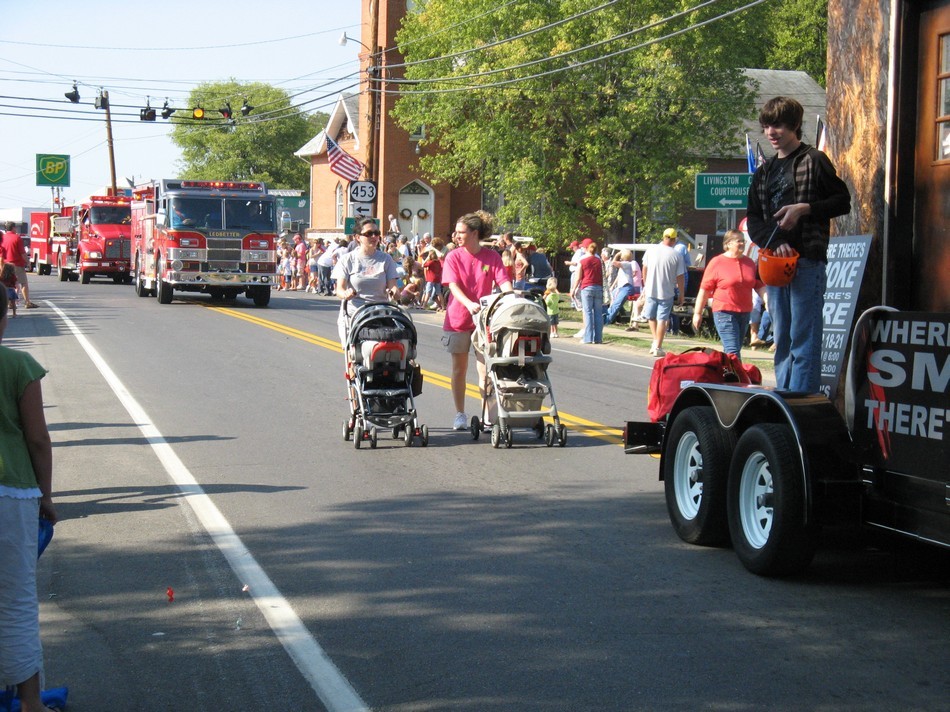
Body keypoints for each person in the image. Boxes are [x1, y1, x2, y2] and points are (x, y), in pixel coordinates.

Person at [746, 96, 851, 392]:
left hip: (806, 261)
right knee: (783, 340)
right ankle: (784, 398)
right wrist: (776, 239)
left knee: (804, 339)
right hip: (774, 265)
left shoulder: (814, 159)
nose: (771, 132)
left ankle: (800, 405)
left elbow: (842, 201)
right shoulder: (764, 172)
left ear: (794, 126)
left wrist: (804, 208)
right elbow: (753, 219)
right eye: (766, 126)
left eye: (777, 125)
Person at [0, 287, 57, 712]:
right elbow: (37, 440)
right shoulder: (19, 366)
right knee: (17, 600)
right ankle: (31, 702)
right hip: (12, 493)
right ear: (5, 316)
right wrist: (47, 496)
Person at [441, 211, 513, 431]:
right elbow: (453, 285)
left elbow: (504, 282)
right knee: (458, 370)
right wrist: (468, 303)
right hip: (458, 319)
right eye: (456, 231)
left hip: (483, 322)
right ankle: (460, 414)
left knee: (486, 371)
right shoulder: (454, 256)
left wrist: (511, 299)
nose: (456, 235)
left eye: (461, 232)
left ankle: (487, 416)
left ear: (474, 233)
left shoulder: (491, 257)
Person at [691, 229, 765, 357]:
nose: (742, 244)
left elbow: (759, 286)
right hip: (724, 312)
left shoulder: (750, 263)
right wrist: (697, 313)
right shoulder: (717, 262)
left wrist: (769, 302)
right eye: (739, 241)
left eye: (743, 241)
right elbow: (704, 289)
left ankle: (726, 375)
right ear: (728, 244)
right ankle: (738, 377)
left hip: (744, 313)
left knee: (734, 349)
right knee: (733, 351)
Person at [334, 219, 399, 344]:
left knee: (398, 341)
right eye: (369, 233)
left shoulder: (386, 259)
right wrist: (345, 293)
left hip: (380, 312)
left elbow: (393, 286)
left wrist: (394, 292)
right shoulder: (347, 259)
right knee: (357, 353)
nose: (374, 236)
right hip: (356, 314)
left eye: (376, 233)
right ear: (358, 237)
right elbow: (339, 290)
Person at [641, 227, 686, 357]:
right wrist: (681, 293)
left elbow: (645, 268)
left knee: (651, 317)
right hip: (667, 292)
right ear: (674, 240)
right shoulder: (677, 255)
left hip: (650, 290)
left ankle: (655, 342)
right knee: (662, 319)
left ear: (663, 237)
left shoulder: (651, 250)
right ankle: (658, 345)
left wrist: (645, 284)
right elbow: (680, 276)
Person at [571, 239, 604, 344]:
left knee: (588, 312)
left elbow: (578, 277)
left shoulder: (583, 260)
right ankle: (598, 338)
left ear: (587, 249)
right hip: (598, 287)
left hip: (587, 287)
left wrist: (573, 289)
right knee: (598, 313)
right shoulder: (599, 260)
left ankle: (588, 338)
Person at [0, 223, 36, 309]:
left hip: (5, 265)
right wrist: (28, 263)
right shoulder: (17, 238)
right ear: (13, 228)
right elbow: (23, 253)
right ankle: (27, 302)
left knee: (7, 284)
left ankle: (9, 303)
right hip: (17, 264)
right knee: (23, 283)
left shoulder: (2, 238)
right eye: (15, 227)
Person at [604, 249, 642, 325]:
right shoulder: (625, 264)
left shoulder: (627, 264)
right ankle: (610, 315)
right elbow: (619, 276)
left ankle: (607, 320)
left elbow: (614, 262)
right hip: (621, 287)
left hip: (627, 287)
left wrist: (617, 254)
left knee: (616, 304)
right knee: (613, 301)